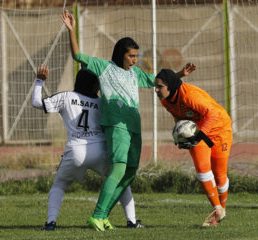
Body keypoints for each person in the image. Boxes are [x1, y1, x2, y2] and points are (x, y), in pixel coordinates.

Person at [61, 10, 196, 231]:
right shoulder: (104, 68)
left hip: (134, 127)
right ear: (121, 54)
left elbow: (158, 82)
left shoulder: (136, 74)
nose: (135, 60)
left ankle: (103, 215)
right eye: (131, 56)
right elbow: (78, 56)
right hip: (116, 126)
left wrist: (180, 73)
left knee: (130, 172)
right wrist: (71, 31)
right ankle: (97, 215)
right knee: (118, 169)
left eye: (136, 56)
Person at [32, 64, 143, 230]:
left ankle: (50, 223)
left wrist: (39, 80)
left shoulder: (66, 97)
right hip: (101, 151)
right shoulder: (102, 103)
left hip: (75, 150)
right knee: (120, 182)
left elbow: (36, 103)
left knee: (59, 186)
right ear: (95, 84)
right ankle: (132, 222)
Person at [154, 69, 232, 227]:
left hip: (220, 128)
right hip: (198, 130)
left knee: (219, 175)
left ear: (170, 86)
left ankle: (221, 210)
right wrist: (181, 133)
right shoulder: (165, 100)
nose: (156, 90)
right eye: (155, 87)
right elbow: (179, 117)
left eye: (159, 87)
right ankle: (217, 210)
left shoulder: (189, 95)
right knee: (202, 169)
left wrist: (200, 135)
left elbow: (212, 114)